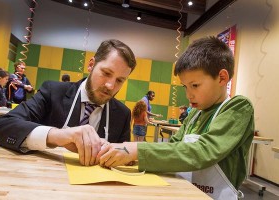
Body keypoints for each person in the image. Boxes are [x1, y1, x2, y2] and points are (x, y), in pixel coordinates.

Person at [98, 36, 254, 199]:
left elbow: (203, 151)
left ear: (222, 78)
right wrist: (132, 158)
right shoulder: (195, 113)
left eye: (195, 85)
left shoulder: (238, 107)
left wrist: (137, 150)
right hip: (186, 192)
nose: (188, 94)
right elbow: (173, 146)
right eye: (185, 87)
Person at [0, 39, 137, 167]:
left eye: (119, 80)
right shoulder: (53, 92)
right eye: (106, 73)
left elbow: (125, 157)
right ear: (91, 65)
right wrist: (57, 135)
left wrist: (126, 155)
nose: (111, 86)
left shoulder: (122, 114)